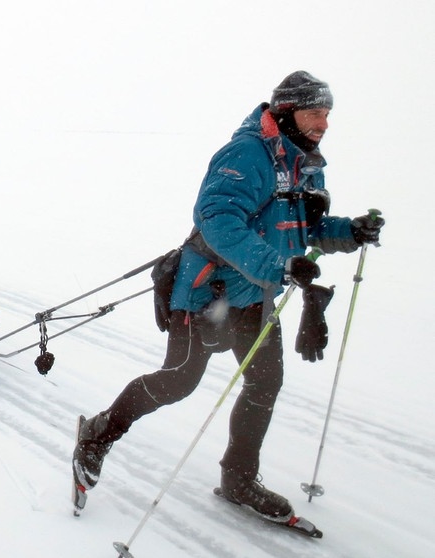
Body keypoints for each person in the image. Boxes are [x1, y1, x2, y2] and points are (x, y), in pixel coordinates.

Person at [72, 71, 385, 518]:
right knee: (179, 380)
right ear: (288, 111)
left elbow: (307, 226)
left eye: (328, 114)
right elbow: (218, 219)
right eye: (316, 112)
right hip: (205, 293)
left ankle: (238, 480)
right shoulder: (248, 153)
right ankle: (96, 435)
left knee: (265, 382)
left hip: (255, 297)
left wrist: (350, 231)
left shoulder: (306, 163)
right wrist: (277, 266)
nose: (325, 123)